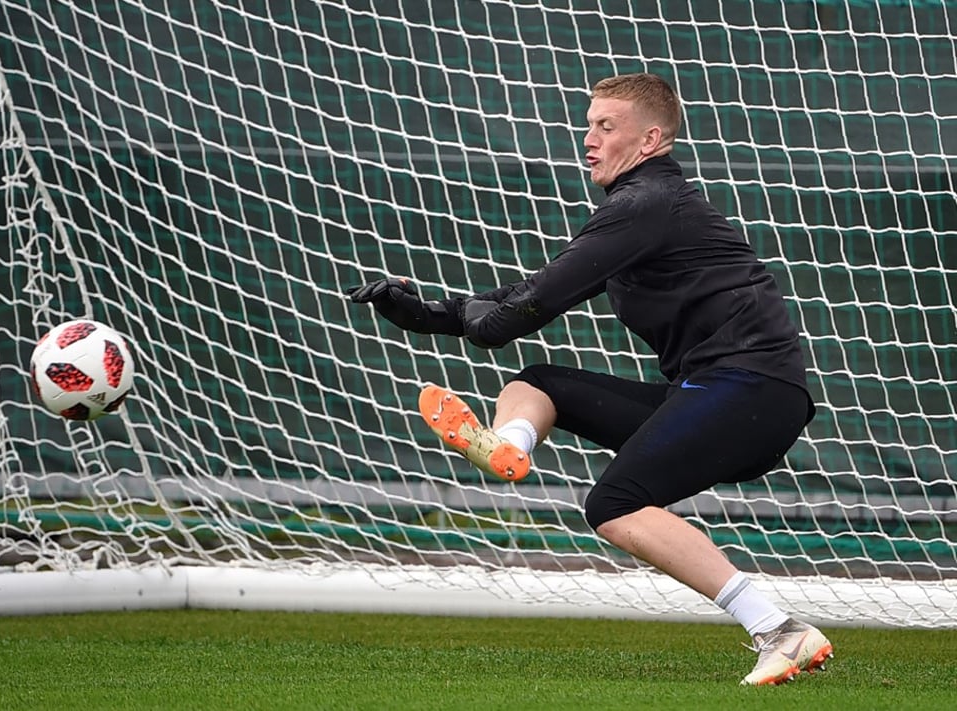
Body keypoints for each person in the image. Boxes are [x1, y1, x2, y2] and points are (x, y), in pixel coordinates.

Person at [347, 72, 833, 686]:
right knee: (539, 383)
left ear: (651, 138)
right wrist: (422, 313)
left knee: (613, 504)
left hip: (750, 392)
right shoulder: (639, 210)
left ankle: (779, 630)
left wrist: (468, 319)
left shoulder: (644, 206)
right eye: (588, 124)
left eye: (606, 126)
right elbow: (520, 297)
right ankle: (510, 446)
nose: (589, 139)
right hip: (722, 392)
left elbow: (512, 316)